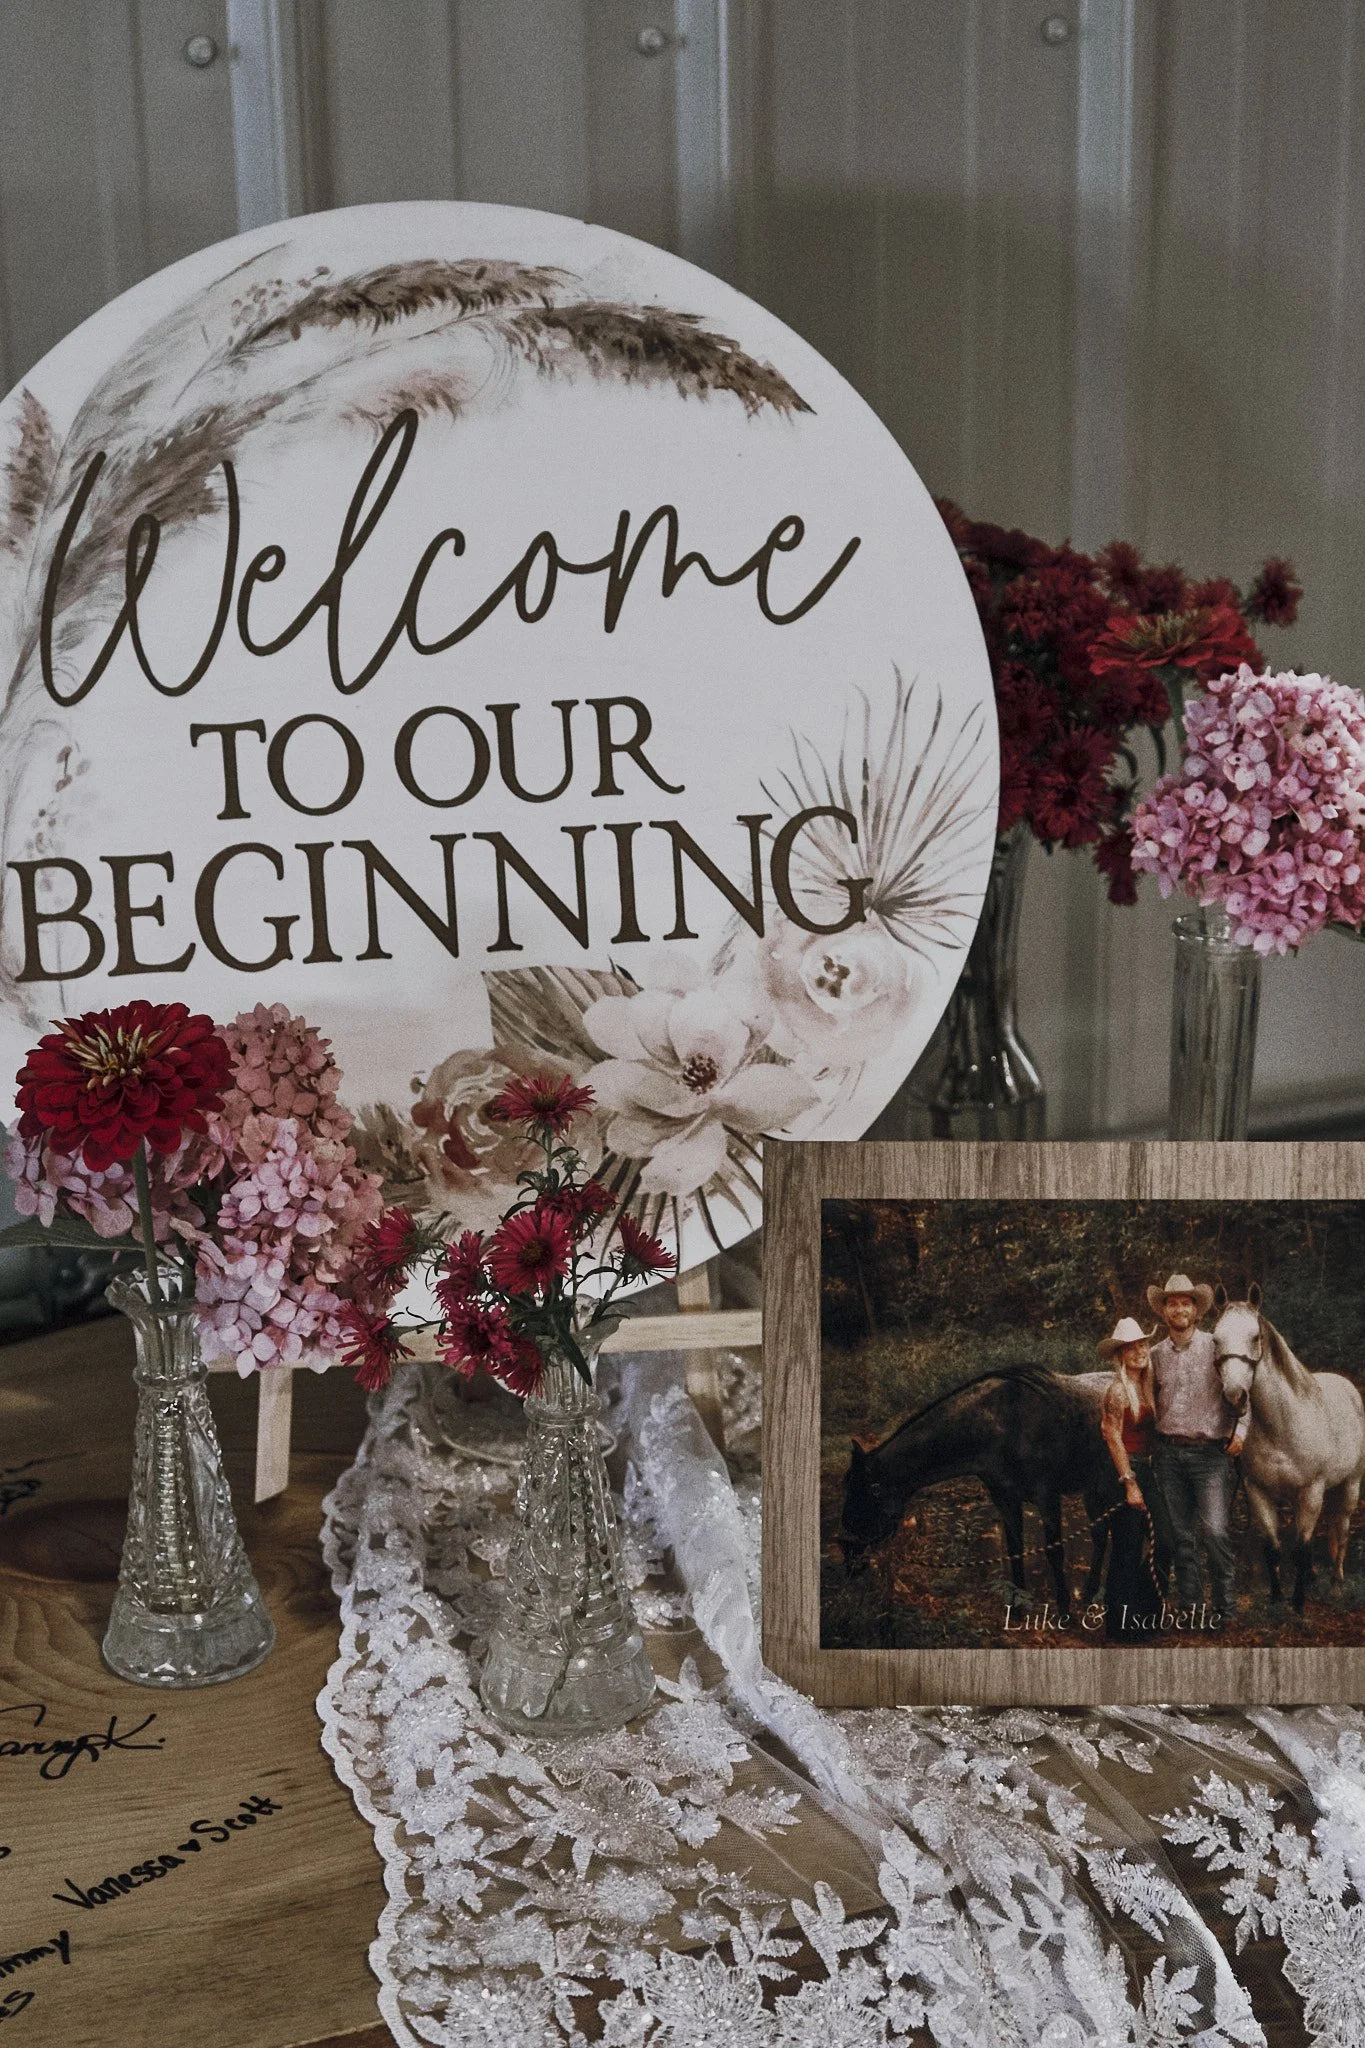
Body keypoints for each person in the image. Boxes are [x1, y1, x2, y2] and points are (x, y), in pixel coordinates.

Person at [1148, 1272, 1244, 1619]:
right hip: (1169, 1454)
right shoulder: (1154, 1356)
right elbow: (1146, 1402)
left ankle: (1226, 1609)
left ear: (1196, 1310)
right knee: (1181, 1537)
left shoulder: (1215, 1346)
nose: (1179, 1309)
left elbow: (1243, 1392)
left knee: (1216, 1533)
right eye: (1172, 1303)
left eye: (1185, 1303)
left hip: (1210, 1456)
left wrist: (1242, 1431)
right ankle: (1191, 1608)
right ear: (1164, 1312)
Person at [1098, 1317, 1168, 1637]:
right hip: (1124, 1471)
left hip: (1146, 1467)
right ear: (1121, 1355)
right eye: (1131, 1347)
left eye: (1142, 1345)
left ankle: (1144, 1612)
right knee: (1127, 1548)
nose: (1139, 1351)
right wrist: (1130, 1483)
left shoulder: (1147, 1384)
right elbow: (1112, 1436)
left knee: (1163, 1540)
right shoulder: (1117, 1391)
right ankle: (1120, 1626)